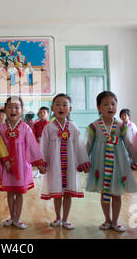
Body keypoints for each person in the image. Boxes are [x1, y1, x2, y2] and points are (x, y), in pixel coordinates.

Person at [85, 91, 137, 232]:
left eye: (113, 104)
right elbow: (87, 145)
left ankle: (115, 221)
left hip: (118, 165)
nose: (110, 107)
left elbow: (130, 144)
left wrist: (135, 159)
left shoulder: (122, 126)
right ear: (99, 107)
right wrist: (84, 161)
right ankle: (107, 220)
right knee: (104, 193)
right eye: (105, 104)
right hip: (100, 164)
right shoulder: (94, 126)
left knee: (117, 194)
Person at [40, 93, 90, 230]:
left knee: (68, 193)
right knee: (57, 194)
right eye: (57, 104)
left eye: (64, 105)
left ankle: (66, 219)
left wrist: (83, 162)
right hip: (55, 166)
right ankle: (57, 217)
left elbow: (79, 145)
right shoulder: (49, 128)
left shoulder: (73, 127)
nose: (61, 107)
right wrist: (42, 162)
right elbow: (43, 146)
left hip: (70, 165)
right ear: (52, 108)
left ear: (70, 109)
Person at [0, 96, 46, 229]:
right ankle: (11, 217)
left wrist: (39, 162)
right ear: (5, 110)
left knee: (19, 193)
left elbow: (32, 146)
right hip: (6, 166)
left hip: (21, 166)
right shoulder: (1, 128)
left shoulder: (25, 128)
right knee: (9, 193)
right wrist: (4, 160)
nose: (13, 110)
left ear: (22, 110)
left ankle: (17, 219)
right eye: (10, 107)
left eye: (16, 107)